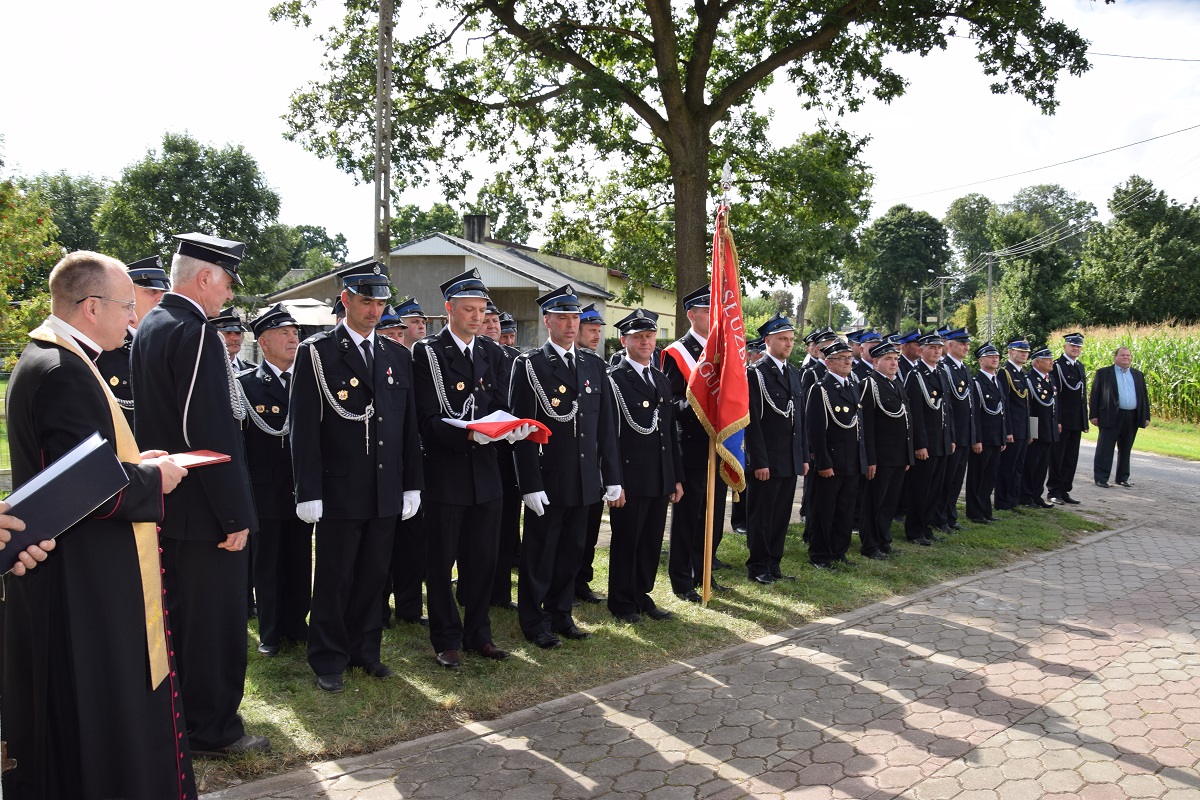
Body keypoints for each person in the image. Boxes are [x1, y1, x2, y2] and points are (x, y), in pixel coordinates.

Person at [4, 250, 193, 798]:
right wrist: (155, 477)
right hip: (82, 578)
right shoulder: (63, 371)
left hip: (73, 566)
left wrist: (133, 463)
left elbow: (81, 465)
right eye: (126, 306)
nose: (133, 318)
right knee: (99, 712)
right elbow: (85, 491)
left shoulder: (51, 357)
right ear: (91, 307)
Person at [130, 232, 268, 757]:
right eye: (227, 282)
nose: (229, 294)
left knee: (184, 623)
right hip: (205, 510)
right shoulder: (196, 333)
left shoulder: (152, 325)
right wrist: (235, 515)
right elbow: (208, 432)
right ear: (205, 276)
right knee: (215, 626)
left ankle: (183, 721)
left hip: (172, 503)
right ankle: (213, 729)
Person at [290, 261, 424, 692]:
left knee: (373, 576)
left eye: (380, 303)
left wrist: (412, 483)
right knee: (335, 577)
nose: (374, 311)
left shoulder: (396, 354)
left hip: (385, 487)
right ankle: (328, 657)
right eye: (366, 301)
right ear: (345, 299)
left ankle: (366, 651)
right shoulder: (317, 352)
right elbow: (304, 428)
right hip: (339, 488)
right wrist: (308, 490)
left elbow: (407, 427)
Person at [414, 269, 528, 668]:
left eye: (482, 310)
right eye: (469, 309)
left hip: (486, 476)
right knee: (440, 562)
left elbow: (499, 406)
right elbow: (427, 419)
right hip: (445, 475)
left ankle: (479, 634)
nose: (478, 317)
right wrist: (468, 436)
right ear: (449, 309)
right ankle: (446, 638)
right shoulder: (428, 353)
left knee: (483, 561)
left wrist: (510, 428)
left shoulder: (492, 353)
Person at [510, 284, 622, 648]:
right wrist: (529, 484)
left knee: (572, 553)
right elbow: (522, 430)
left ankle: (561, 614)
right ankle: (533, 622)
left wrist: (612, 477)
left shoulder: (594, 365)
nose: (571, 325)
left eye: (574, 317)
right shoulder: (530, 365)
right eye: (562, 318)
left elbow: (605, 428)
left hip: (585, 479)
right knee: (540, 555)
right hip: (549, 478)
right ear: (547, 321)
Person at [239, 304, 311, 658]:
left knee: (300, 559)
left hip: (301, 487)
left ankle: (297, 624)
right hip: (264, 491)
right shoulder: (245, 385)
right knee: (267, 564)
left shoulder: (309, 381)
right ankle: (270, 631)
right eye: (283, 333)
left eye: (295, 333)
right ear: (263, 342)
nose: (293, 338)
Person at [605, 309, 683, 622]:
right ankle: (622, 601)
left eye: (649, 336)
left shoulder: (661, 379)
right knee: (627, 541)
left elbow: (670, 434)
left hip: (659, 475)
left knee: (650, 540)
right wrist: (614, 481)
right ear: (623, 340)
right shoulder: (615, 380)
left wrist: (675, 478)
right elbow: (609, 436)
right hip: (630, 476)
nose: (645, 342)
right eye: (637, 337)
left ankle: (641, 594)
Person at [662, 286, 728, 600]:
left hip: (719, 444)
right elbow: (670, 402)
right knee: (689, 516)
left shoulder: (722, 352)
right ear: (691, 315)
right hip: (690, 445)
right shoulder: (678, 352)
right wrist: (701, 405)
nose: (714, 317)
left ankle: (704, 573)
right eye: (707, 311)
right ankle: (681, 580)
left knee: (713, 515)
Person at [744, 313, 807, 584]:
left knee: (781, 515)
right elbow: (752, 423)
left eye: (791, 339)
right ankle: (758, 566)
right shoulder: (756, 374)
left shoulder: (793, 372)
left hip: (788, 458)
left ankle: (774, 564)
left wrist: (802, 455)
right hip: (767, 459)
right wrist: (759, 461)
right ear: (768, 341)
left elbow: (799, 419)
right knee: (762, 515)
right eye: (783, 339)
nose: (789, 344)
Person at [381, 296, 429, 627]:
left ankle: (410, 607)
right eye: (391, 334)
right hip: (382, 467)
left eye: (400, 333)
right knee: (382, 545)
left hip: (411, 464)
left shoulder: (412, 365)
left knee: (412, 543)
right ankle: (379, 608)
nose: (397, 339)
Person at [804, 339, 867, 570]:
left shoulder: (852, 386)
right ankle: (820, 554)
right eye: (842, 359)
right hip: (831, 460)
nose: (848, 362)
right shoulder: (820, 389)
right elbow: (815, 430)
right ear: (829, 363)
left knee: (845, 509)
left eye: (849, 358)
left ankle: (839, 550)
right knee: (824, 510)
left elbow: (859, 427)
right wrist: (823, 462)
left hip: (851, 460)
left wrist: (862, 459)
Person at [95, 255, 170, 428]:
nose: (161, 298)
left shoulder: (167, 343)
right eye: (152, 291)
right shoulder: (105, 346)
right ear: (128, 294)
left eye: (164, 292)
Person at [859, 339, 912, 560]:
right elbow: (866, 426)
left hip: (898, 455)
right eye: (888, 359)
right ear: (875, 362)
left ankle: (883, 539)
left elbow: (906, 421)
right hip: (881, 456)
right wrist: (870, 459)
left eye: (896, 359)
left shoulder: (896, 383)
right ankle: (870, 544)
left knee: (890, 501)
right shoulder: (869, 385)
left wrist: (907, 454)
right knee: (875, 502)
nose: (893, 363)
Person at [488, 309, 524, 611]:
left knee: (506, 524)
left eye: (494, 321)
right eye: (486, 320)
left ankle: (499, 592)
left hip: (507, 452)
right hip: (473, 449)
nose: (491, 326)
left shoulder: (514, 358)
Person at [904, 332, 954, 546]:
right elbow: (914, 413)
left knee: (935, 488)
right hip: (927, 443)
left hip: (941, 440)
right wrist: (920, 444)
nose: (936, 351)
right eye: (931, 347)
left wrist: (950, 437)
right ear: (920, 350)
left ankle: (926, 526)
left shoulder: (941, 372)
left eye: (939, 348)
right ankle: (915, 530)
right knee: (921, 488)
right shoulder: (916, 376)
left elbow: (947, 409)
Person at [575, 302, 608, 603]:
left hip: (594, 461)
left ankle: (582, 580)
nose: (596, 336)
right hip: (570, 462)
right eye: (591, 330)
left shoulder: (597, 365)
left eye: (599, 331)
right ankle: (565, 582)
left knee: (591, 525)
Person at [1090, 346, 1150, 488]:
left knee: (1126, 448)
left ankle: (1122, 477)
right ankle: (1101, 478)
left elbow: (1144, 397)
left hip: (1132, 416)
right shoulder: (1104, 373)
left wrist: (1146, 416)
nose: (1126, 358)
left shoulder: (1138, 375)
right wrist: (1093, 415)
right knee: (1105, 448)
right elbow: (1095, 395)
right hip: (1110, 415)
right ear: (1115, 357)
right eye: (1123, 355)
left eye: (1128, 356)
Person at [965, 342, 1010, 523]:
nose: (994, 359)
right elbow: (975, 413)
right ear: (980, 360)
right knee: (978, 476)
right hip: (983, 438)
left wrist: (1003, 436)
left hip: (996, 437)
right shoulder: (977, 382)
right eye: (990, 356)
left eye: (997, 357)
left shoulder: (997, 382)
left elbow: (1002, 412)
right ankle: (975, 512)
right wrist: (976, 439)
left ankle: (985, 510)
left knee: (990, 476)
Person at [935, 327, 974, 532]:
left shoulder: (963, 368)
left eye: (967, 344)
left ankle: (950, 515)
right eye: (962, 344)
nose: (966, 347)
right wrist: (950, 434)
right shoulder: (944, 367)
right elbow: (947, 406)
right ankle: (939, 517)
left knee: (957, 478)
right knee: (946, 479)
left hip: (964, 433)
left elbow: (970, 405)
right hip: (952, 433)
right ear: (949, 345)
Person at [729, 336, 765, 536]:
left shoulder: (759, 375)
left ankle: (746, 518)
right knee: (739, 475)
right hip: (740, 431)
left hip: (750, 431)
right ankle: (739, 519)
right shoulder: (747, 373)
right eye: (758, 354)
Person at [1048, 332, 1088, 504]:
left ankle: (1065, 490)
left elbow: (1082, 396)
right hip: (1063, 420)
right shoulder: (1057, 366)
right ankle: (1054, 491)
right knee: (1058, 457)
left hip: (1076, 420)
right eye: (1072, 345)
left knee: (1071, 458)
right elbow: (1055, 396)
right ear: (1065, 346)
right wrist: (1057, 420)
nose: (1075, 349)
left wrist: (1084, 420)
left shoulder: (1080, 367)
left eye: (1078, 346)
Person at [995, 340, 1031, 512]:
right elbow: (1006, 404)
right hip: (1013, 429)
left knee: (1018, 466)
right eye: (1020, 351)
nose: (1024, 355)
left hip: (1023, 428)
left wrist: (1030, 430)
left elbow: (1026, 405)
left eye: (1026, 352)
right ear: (1010, 352)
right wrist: (1007, 430)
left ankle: (1013, 499)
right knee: (1007, 466)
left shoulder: (1021, 373)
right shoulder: (1005, 372)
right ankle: (1003, 501)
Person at [1020, 347, 1059, 508]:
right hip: (1036, 426)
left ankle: (1037, 495)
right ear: (1037, 362)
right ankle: (1026, 495)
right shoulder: (1030, 379)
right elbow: (1029, 406)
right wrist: (1031, 430)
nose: (1051, 362)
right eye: (1048, 360)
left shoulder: (1050, 379)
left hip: (1048, 427)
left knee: (1043, 464)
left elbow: (1054, 404)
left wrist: (1056, 423)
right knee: (1032, 463)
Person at [212, 306, 255, 371]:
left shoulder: (252, 371)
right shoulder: (200, 370)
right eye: (228, 333)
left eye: (238, 333)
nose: (236, 338)